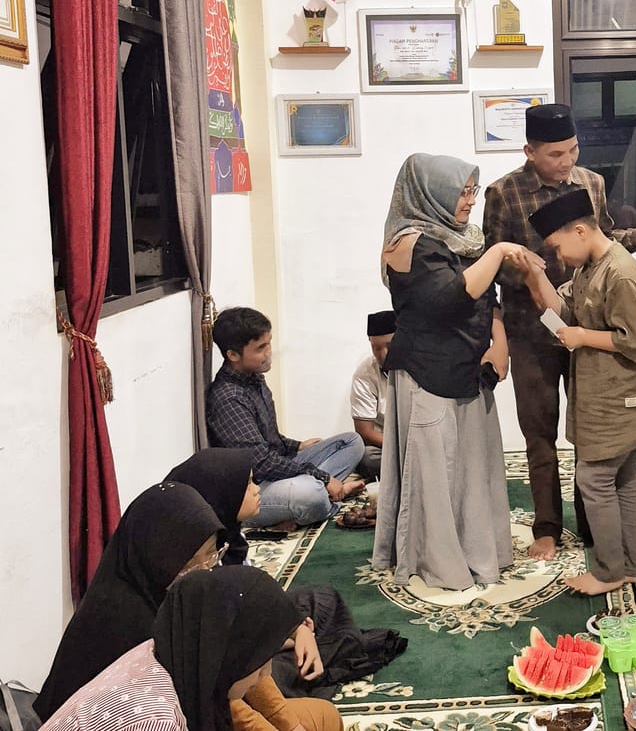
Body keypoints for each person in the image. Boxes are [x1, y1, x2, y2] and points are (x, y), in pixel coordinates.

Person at [483, 102, 636, 562]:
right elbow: (488, 267)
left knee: (593, 430)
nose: (566, 161)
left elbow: (601, 239)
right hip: (531, 332)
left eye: (572, 150)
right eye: (554, 154)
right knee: (539, 434)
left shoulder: (591, 183)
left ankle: (596, 524)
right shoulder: (503, 193)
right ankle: (547, 527)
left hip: (586, 329)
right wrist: (529, 280)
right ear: (530, 151)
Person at [371, 153, 531, 591]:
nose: (469, 202)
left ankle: (480, 551)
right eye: (462, 192)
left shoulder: (463, 237)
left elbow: (487, 298)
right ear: (431, 193)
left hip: (469, 367)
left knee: (473, 470)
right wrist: (498, 252)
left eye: (471, 191)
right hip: (429, 373)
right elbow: (450, 299)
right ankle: (441, 564)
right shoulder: (409, 243)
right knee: (437, 475)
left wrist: (500, 340)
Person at [515, 188, 636, 594]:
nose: (557, 257)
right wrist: (535, 276)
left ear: (581, 231)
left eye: (557, 247)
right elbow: (561, 314)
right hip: (602, 394)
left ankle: (608, 572)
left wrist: (583, 335)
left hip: (621, 397)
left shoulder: (620, 273)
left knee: (594, 479)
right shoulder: (589, 268)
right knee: (621, 479)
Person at [167, 449, 406, 699]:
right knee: (264, 682)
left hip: (250, 635)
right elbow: (213, 642)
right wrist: (277, 637)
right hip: (223, 664)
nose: (258, 489)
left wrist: (294, 628)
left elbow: (252, 601)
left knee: (321, 599)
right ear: (222, 492)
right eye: (248, 484)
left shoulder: (229, 537)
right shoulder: (193, 556)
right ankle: (317, 657)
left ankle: (316, 651)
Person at [40, 566, 341, 731]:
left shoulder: (175, 651)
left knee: (323, 717)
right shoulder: (157, 719)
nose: (267, 671)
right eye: (260, 663)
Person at [34, 482, 224, 720]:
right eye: (189, 564)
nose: (205, 572)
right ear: (155, 558)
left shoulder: (156, 595)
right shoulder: (126, 623)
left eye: (213, 554)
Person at [207, 307, 365, 529]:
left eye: (269, 343)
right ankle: (323, 500)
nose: (269, 352)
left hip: (275, 472)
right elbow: (261, 464)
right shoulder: (228, 398)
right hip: (254, 490)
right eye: (261, 348)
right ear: (233, 355)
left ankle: (311, 499)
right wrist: (322, 477)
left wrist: (297, 446)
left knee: (352, 442)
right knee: (312, 493)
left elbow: (268, 438)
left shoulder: (254, 378)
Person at [351, 310, 395, 482]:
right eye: (376, 347)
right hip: (386, 445)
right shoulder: (364, 375)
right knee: (366, 457)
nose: (383, 354)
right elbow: (365, 432)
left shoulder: (421, 365)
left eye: (389, 346)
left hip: (420, 440)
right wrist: (398, 447)